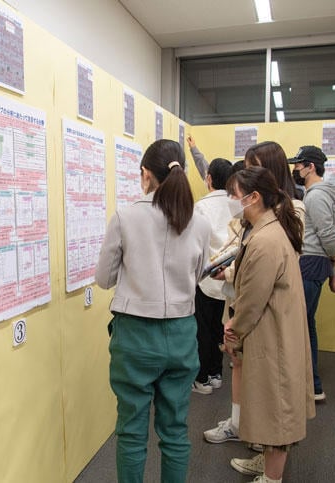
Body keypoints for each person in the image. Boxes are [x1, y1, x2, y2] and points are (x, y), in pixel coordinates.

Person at [95, 139, 211, 483]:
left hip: (134, 335)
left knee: (131, 431)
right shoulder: (199, 222)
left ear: (146, 173)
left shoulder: (125, 216)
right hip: (181, 333)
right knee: (175, 431)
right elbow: (200, 275)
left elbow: (103, 279)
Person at [204, 142, 305, 457]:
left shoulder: (285, 215)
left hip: (262, 309)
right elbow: (244, 252)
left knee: (269, 383)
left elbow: (265, 267)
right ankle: (242, 426)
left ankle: (266, 451)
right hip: (243, 301)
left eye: (253, 167)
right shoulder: (256, 218)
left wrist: (233, 277)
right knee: (244, 370)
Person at [222, 166, 315, 483]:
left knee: (276, 405)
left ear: (254, 197)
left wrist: (233, 329)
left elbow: (252, 299)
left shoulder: (265, 240)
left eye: (234, 195)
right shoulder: (268, 230)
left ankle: (272, 477)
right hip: (272, 328)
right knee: (268, 402)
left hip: (271, 333)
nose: (231, 201)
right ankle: (267, 464)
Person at [288, 145, 335, 401]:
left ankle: (310, 385)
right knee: (306, 323)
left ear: (310, 167)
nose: (295, 169)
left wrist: (333, 259)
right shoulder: (315, 194)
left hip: (310, 263)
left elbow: (326, 234)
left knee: (299, 325)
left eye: (298, 165)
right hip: (316, 263)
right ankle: (312, 384)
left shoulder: (316, 196)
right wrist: (331, 267)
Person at [192, 158, 234, 395]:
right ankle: (217, 373)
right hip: (229, 277)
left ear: (209, 178)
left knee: (203, 330)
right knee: (221, 327)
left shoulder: (201, 206)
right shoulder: (236, 203)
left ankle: (203, 378)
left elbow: (195, 243)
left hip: (207, 278)